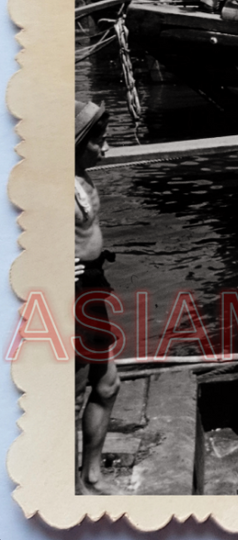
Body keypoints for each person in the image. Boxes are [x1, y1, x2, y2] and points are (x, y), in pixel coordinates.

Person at [74, 100, 120, 495]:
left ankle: (90, 476)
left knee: (106, 384)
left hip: (91, 285)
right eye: (99, 142)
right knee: (67, 396)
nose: (106, 149)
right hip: (66, 294)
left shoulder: (80, 176)